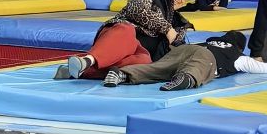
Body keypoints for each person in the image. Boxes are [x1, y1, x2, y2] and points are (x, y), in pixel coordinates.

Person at [58, 0, 192, 80]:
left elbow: (177, 49)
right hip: (118, 37)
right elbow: (138, 10)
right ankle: (88, 60)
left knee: (144, 62)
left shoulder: (179, 23)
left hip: (137, 52)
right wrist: (167, 28)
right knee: (126, 30)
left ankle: (78, 71)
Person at [103, 30, 250, 92]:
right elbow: (259, 66)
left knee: (159, 68)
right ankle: (187, 78)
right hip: (204, 55)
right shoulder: (238, 56)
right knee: (199, 66)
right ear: (239, 47)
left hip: (185, 49)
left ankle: (122, 73)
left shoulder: (206, 42)